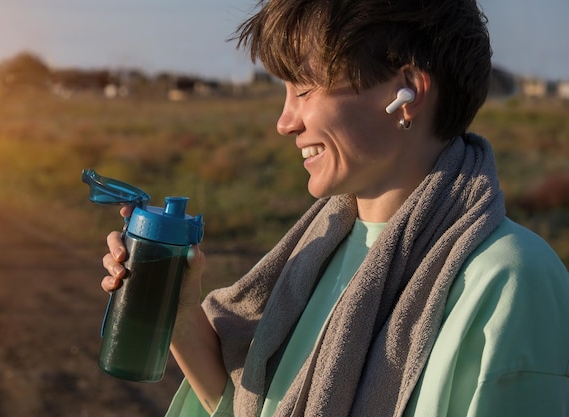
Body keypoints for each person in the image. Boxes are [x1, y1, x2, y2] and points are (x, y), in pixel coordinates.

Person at [101, 0, 569, 416]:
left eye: (304, 89)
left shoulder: (511, 280)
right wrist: (180, 310)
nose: (285, 122)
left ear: (405, 93)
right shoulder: (318, 249)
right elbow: (242, 408)